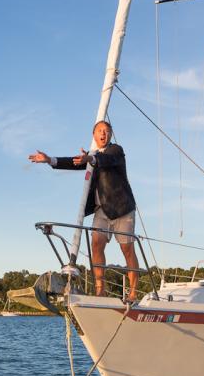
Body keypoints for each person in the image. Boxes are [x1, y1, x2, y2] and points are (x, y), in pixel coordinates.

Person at [28, 121, 139, 300]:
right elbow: (73, 162)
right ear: (94, 135)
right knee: (96, 245)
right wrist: (49, 160)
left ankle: (133, 291)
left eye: (107, 131)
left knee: (127, 249)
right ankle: (100, 289)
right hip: (102, 210)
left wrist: (90, 159)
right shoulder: (92, 155)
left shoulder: (116, 151)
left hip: (122, 209)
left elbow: (105, 160)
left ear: (110, 135)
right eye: (100, 131)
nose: (104, 134)